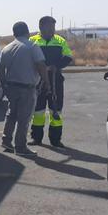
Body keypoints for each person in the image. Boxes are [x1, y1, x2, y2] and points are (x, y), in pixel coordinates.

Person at [0, 21, 50, 156]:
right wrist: (46, 82)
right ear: (27, 32)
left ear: (14, 33)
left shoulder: (7, 48)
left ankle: (6, 140)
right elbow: (41, 65)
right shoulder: (32, 46)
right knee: (24, 119)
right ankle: (20, 147)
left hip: (11, 87)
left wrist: (5, 85)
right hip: (27, 88)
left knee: (11, 115)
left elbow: (0, 69)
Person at [29, 16, 74, 148]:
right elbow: (28, 58)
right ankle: (36, 138)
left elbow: (68, 57)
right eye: (49, 27)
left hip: (56, 81)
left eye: (53, 27)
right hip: (38, 81)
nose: (52, 30)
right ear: (41, 27)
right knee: (38, 110)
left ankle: (55, 140)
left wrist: (56, 66)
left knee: (56, 109)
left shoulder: (60, 41)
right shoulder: (33, 41)